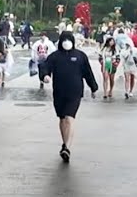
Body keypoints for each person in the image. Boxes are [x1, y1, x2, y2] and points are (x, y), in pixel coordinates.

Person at [37, 31, 98, 162]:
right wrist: (45, 76)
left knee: (69, 118)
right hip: (59, 91)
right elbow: (44, 67)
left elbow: (88, 73)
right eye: (64, 39)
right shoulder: (55, 56)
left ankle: (68, 148)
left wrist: (93, 88)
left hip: (75, 92)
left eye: (68, 39)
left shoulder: (80, 56)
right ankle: (64, 143)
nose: (66, 42)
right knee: (62, 119)